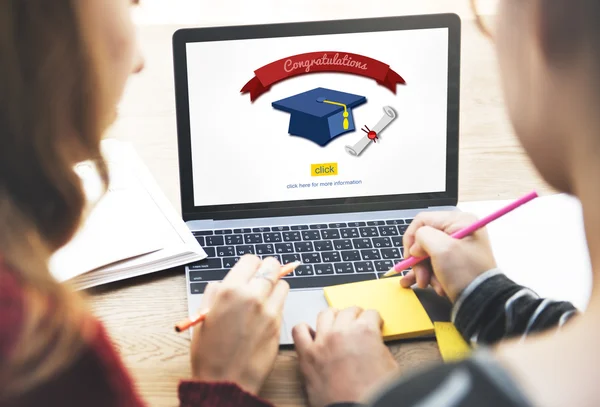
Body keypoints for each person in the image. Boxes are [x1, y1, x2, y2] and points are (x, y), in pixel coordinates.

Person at [0, 1, 597, 407]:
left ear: (540, 25)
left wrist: (350, 399)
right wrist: (488, 296)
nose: (138, 60)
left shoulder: (37, 348)